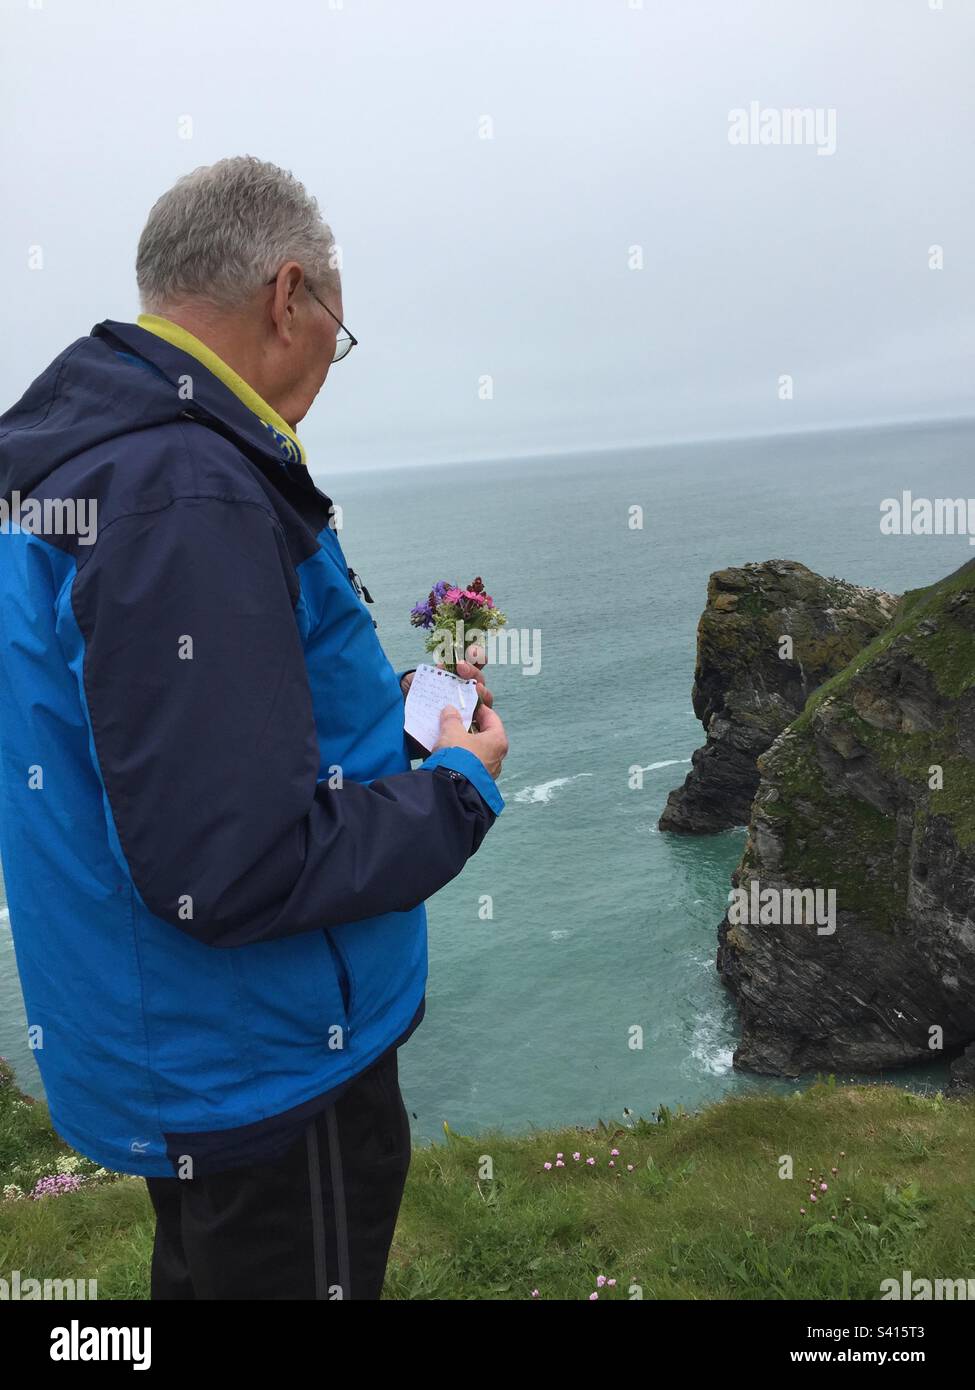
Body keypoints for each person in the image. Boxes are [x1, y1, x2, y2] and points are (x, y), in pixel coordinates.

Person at [0, 155, 509, 1299]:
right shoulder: (187, 488)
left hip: (175, 1043)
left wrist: (404, 742)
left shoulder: (78, 457)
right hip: (267, 1067)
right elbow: (234, 866)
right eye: (340, 324)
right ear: (289, 296)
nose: (334, 353)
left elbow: (176, 755)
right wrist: (455, 788)